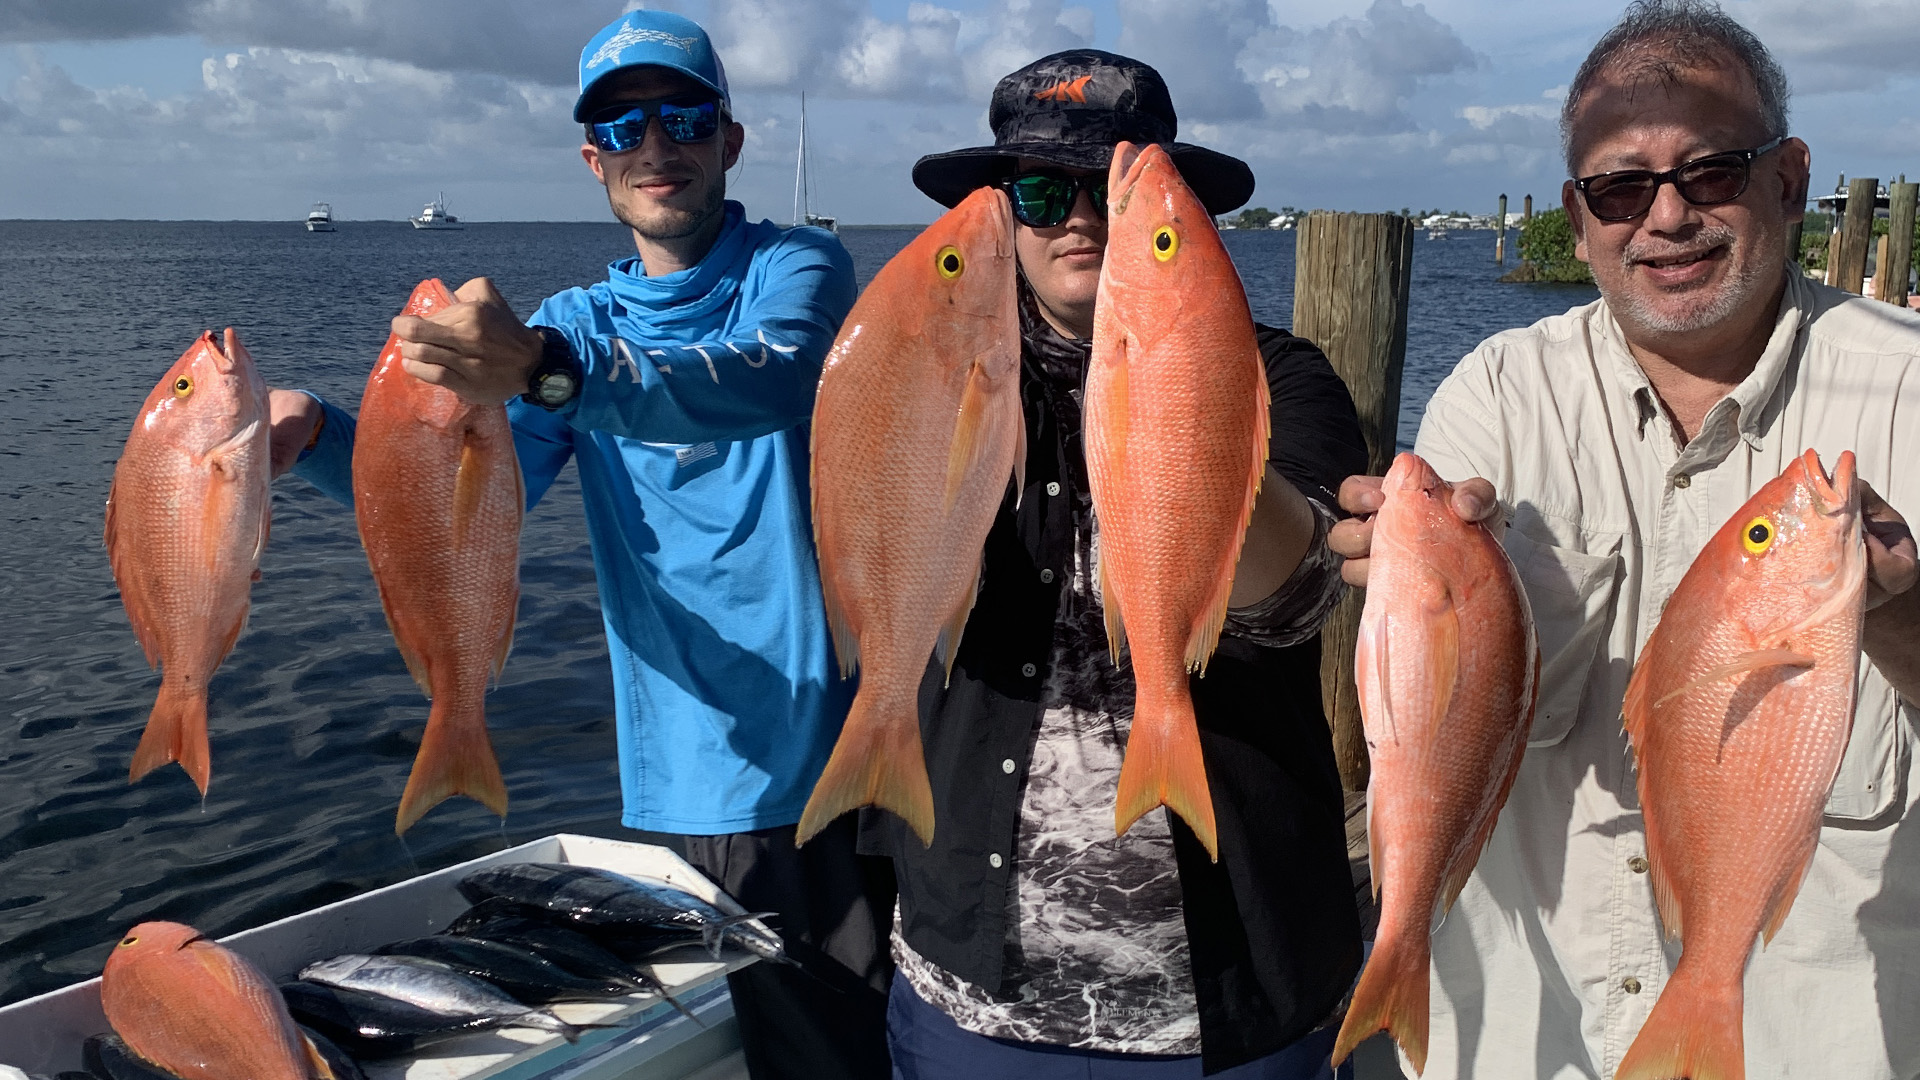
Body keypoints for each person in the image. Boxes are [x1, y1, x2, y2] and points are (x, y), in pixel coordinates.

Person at [265, 11, 892, 1079]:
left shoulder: (796, 267)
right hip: (697, 776)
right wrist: (317, 436)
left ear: (730, 142)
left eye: (686, 116)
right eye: (624, 122)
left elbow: (769, 376)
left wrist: (554, 369)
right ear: (592, 157)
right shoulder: (572, 320)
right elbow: (462, 500)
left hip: (853, 744)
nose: (659, 144)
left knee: (879, 1046)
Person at [1329, 2, 1920, 1076]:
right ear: (1579, 210)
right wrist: (1408, 590)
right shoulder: (1500, 396)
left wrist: (1899, 611)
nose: (1666, 217)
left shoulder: (1911, 389)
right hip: (1522, 1040)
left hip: (1814, 1043)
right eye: (1619, 186)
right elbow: (1428, 721)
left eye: (1709, 172)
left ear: (1787, 180)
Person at [865, 49, 1370, 1080]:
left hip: (1230, 995)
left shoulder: (1281, 375)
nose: (1081, 218)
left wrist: (1198, 414)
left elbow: (1296, 596)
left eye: (1110, 191)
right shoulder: (939, 368)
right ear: (1001, 214)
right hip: (974, 991)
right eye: (1045, 192)